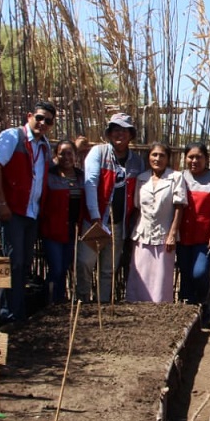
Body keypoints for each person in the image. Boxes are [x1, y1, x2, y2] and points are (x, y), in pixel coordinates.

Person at [0, 101, 56, 324]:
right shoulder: (11, 137)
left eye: (48, 121)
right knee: (12, 262)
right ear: (29, 116)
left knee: (24, 263)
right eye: (40, 118)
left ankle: (18, 313)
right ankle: (8, 316)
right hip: (12, 210)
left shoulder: (44, 146)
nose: (43, 123)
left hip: (31, 212)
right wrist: (2, 203)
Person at [76, 112, 145, 304]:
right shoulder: (99, 153)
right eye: (115, 130)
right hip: (96, 221)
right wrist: (95, 216)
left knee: (108, 269)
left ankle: (104, 306)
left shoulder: (136, 162)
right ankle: (83, 303)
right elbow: (90, 182)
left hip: (119, 224)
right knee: (85, 263)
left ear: (131, 135)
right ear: (109, 133)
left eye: (124, 131)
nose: (119, 134)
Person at [125, 142, 187, 303]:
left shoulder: (176, 178)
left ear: (168, 158)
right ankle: (136, 310)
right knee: (140, 275)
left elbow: (179, 207)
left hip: (164, 235)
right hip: (142, 234)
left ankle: (159, 314)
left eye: (162, 155)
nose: (157, 158)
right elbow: (138, 208)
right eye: (154, 155)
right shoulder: (141, 179)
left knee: (161, 277)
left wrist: (172, 234)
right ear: (149, 157)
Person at [177, 143, 210, 322]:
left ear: (206, 158)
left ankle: (203, 302)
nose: (194, 160)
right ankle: (189, 316)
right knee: (184, 273)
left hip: (204, 238)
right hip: (182, 236)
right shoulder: (180, 177)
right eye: (190, 157)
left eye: (198, 157)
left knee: (199, 272)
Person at [40, 140, 84, 303]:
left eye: (69, 153)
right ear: (55, 156)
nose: (66, 157)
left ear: (75, 155)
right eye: (62, 153)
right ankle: (50, 302)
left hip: (72, 232)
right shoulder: (49, 177)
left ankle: (59, 303)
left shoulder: (81, 177)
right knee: (56, 269)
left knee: (64, 268)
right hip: (53, 230)